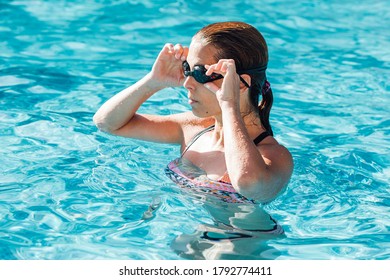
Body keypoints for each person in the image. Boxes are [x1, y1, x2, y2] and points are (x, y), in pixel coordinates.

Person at [93, 21, 293, 206]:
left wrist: (229, 105)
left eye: (199, 73)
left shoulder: (274, 156)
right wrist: (154, 81)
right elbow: (107, 123)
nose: (187, 83)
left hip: (237, 242)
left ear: (241, 83)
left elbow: (248, 182)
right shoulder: (194, 129)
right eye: (187, 68)